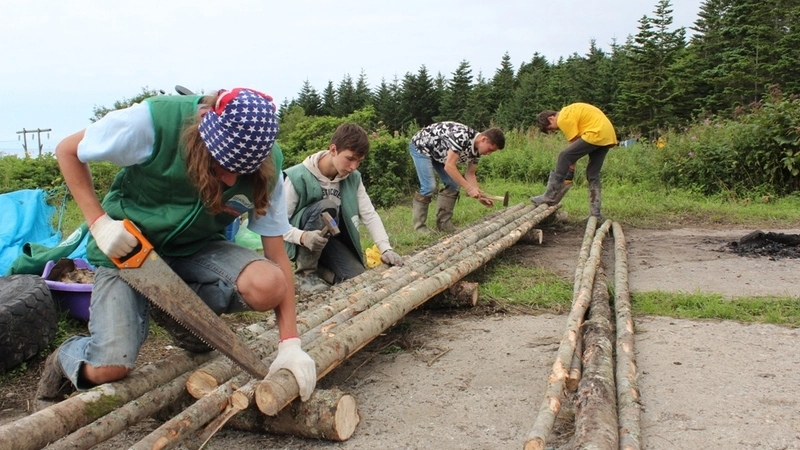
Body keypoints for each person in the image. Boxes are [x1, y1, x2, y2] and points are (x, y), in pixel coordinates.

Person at [35, 88, 317, 409]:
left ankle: (171, 311)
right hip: (127, 251)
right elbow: (67, 150)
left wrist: (290, 344)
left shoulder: (268, 168)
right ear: (204, 133)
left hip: (196, 249)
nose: (229, 179)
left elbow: (277, 255)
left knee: (270, 284)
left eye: (242, 171)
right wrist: (99, 223)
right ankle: (65, 357)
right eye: (222, 164)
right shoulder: (152, 123)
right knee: (109, 369)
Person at [283, 123, 404, 292]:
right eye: (350, 158)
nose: (353, 167)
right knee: (326, 206)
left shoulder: (353, 178)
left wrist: (385, 248)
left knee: (357, 280)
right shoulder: (298, 176)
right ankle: (305, 275)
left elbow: (369, 214)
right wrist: (302, 237)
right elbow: (276, 224)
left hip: (331, 241)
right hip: (301, 240)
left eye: (359, 162)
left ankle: (323, 272)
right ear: (333, 150)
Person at [409, 122, 506, 233]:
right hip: (422, 146)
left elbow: (470, 173)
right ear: (483, 139)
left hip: (440, 153)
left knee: (453, 184)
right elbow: (449, 166)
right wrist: (469, 188)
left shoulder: (477, 151)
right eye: (490, 149)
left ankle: (443, 225)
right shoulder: (462, 136)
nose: (489, 153)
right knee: (429, 186)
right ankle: (420, 228)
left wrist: (479, 196)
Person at [530, 102, 617, 220]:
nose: (555, 130)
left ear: (551, 118)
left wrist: (570, 172)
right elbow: (575, 149)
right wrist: (570, 171)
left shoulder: (562, 118)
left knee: (563, 156)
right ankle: (595, 214)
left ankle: (549, 196)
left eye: (551, 128)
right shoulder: (570, 111)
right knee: (592, 174)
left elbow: (573, 147)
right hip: (607, 135)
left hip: (595, 132)